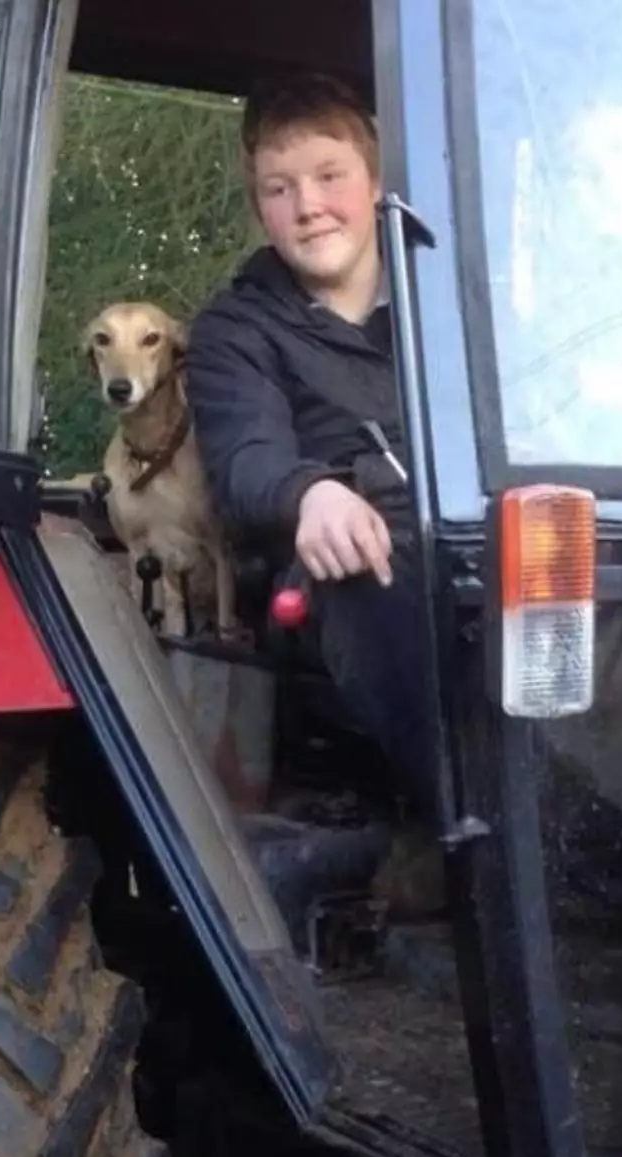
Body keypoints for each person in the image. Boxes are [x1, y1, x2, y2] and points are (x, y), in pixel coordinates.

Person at [184, 72, 443, 910]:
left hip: (474, 539)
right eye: (279, 188)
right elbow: (248, 457)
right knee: (368, 562)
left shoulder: (446, 303)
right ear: (260, 205)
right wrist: (312, 494)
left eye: (330, 176)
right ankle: (488, 836)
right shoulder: (237, 329)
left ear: (373, 181)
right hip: (331, 571)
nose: (310, 206)